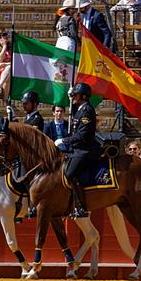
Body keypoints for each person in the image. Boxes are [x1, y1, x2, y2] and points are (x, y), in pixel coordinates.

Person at [55, 82, 100, 218]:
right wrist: (70, 97)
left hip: (85, 150)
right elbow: (74, 115)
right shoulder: (81, 108)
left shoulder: (87, 110)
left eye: (76, 95)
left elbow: (82, 135)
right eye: (73, 94)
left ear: (83, 96)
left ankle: (81, 206)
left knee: (70, 173)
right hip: (76, 149)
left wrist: (64, 140)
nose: (73, 97)